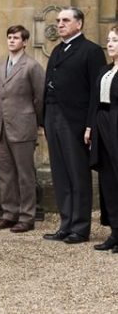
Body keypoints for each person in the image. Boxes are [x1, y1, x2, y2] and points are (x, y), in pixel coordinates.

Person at [43, 7, 106, 244]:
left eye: (66, 20)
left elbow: (96, 92)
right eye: (58, 20)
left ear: (78, 24)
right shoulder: (57, 50)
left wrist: (90, 125)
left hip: (75, 121)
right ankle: (66, 224)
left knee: (78, 174)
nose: (60, 24)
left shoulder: (91, 51)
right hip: (53, 117)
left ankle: (80, 228)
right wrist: (44, 119)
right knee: (60, 174)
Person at [0, 25, 45, 233]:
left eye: (16, 38)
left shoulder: (32, 66)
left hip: (23, 126)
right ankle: (9, 214)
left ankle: (27, 216)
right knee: (5, 173)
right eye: (9, 37)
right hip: (3, 126)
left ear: (24, 42)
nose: (11, 40)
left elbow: (39, 97)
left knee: (25, 174)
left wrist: (37, 122)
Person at [89, 25, 118, 251]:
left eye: (115, 40)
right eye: (109, 39)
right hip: (102, 123)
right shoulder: (105, 69)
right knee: (108, 179)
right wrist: (90, 126)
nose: (109, 43)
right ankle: (115, 232)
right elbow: (95, 100)